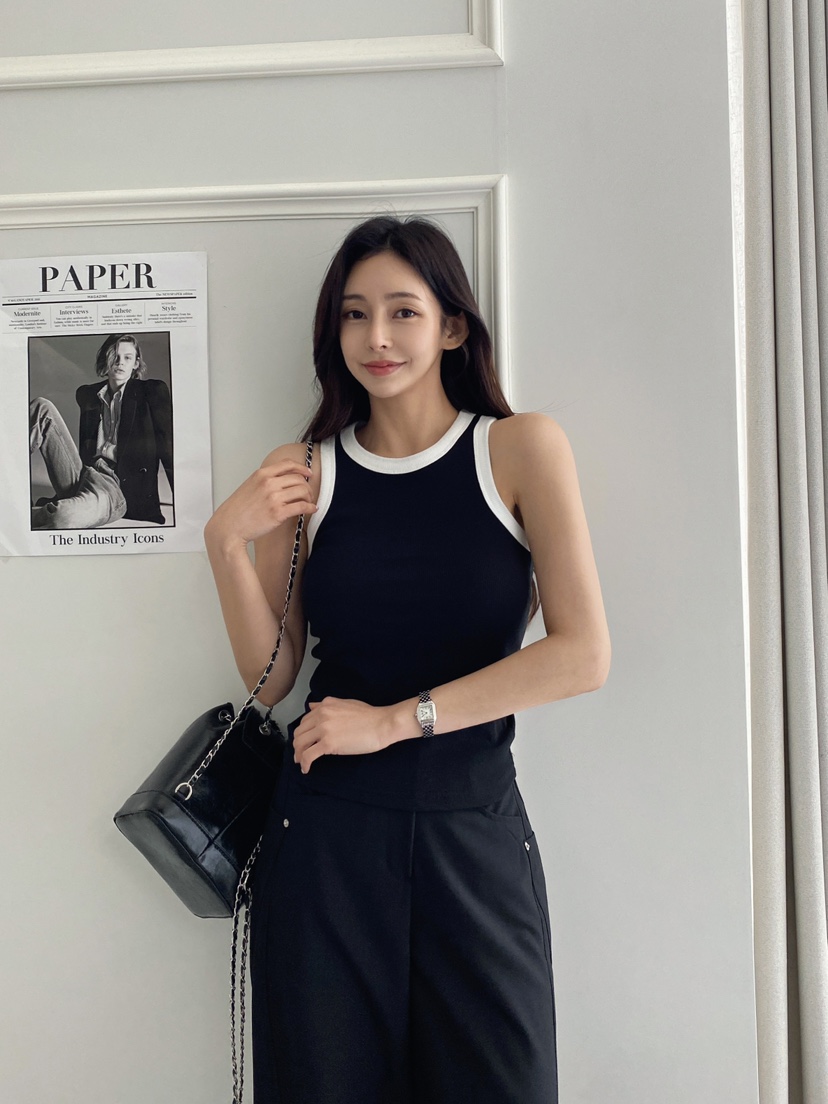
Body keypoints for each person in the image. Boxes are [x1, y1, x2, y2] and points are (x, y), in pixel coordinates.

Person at [204, 216, 611, 1103]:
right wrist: (226, 542)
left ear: (453, 326)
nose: (376, 338)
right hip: (325, 842)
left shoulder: (518, 449)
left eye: (402, 311)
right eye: (354, 315)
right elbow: (273, 677)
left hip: (474, 828)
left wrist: (395, 721)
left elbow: (582, 655)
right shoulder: (306, 472)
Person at [30, 334, 173, 529]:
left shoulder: (151, 392)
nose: (120, 362)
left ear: (136, 363)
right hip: (82, 474)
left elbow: (168, 446)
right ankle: (10, 477)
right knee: (42, 407)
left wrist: (183, 500)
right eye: (115, 356)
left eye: (127, 357)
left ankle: (18, 513)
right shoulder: (88, 395)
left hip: (113, 489)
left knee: (61, 517)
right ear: (106, 359)